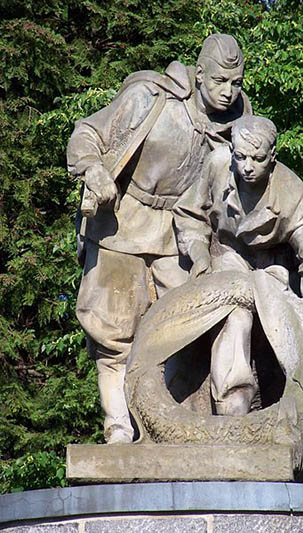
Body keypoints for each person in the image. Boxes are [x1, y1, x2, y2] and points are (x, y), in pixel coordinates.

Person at [67, 34, 252, 443]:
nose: (228, 91)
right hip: (121, 224)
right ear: (199, 74)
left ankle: (187, 427)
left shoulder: (239, 121)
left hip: (181, 233)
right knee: (113, 333)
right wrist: (93, 170)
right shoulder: (150, 96)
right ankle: (118, 426)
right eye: (220, 80)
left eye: (236, 82)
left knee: (196, 322)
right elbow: (87, 134)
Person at [174, 115, 303, 416]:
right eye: (240, 157)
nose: (248, 167)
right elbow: (190, 214)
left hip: (273, 270)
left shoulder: (290, 191)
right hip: (227, 258)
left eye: (258, 158)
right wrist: (199, 251)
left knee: (284, 331)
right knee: (234, 314)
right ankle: (232, 407)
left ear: (273, 156)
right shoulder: (218, 165)